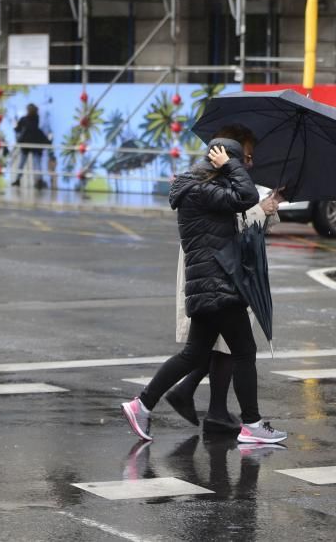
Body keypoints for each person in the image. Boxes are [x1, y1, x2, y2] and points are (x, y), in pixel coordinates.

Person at [121, 130, 287, 445]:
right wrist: (231, 166)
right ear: (220, 162)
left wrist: (269, 202)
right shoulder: (202, 191)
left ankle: (142, 404)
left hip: (210, 284)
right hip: (217, 283)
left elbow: (239, 215)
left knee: (195, 354)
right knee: (244, 352)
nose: (244, 167)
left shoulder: (200, 190)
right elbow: (246, 198)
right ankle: (251, 423)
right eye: (240, 161)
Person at [165, 125, 284, 435]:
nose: (250, 163)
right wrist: (261, 208)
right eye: (246, 156)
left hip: (223, 271)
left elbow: (240, 214)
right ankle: (235, 417)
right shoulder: (210, 181)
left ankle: (192, 400)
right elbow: (233, 220)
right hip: (218, 270)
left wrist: (266, 208)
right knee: (229, 346)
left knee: (215, 345)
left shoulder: (221, 177)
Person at [12, 103, 50, 189]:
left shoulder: (25, 119)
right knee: (36, 163)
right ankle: (39, 180)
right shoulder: (37, 119)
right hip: (34, 144)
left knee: (22, 163)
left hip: (26, 144)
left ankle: (18, 179)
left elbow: (17, 129)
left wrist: (15, 126)